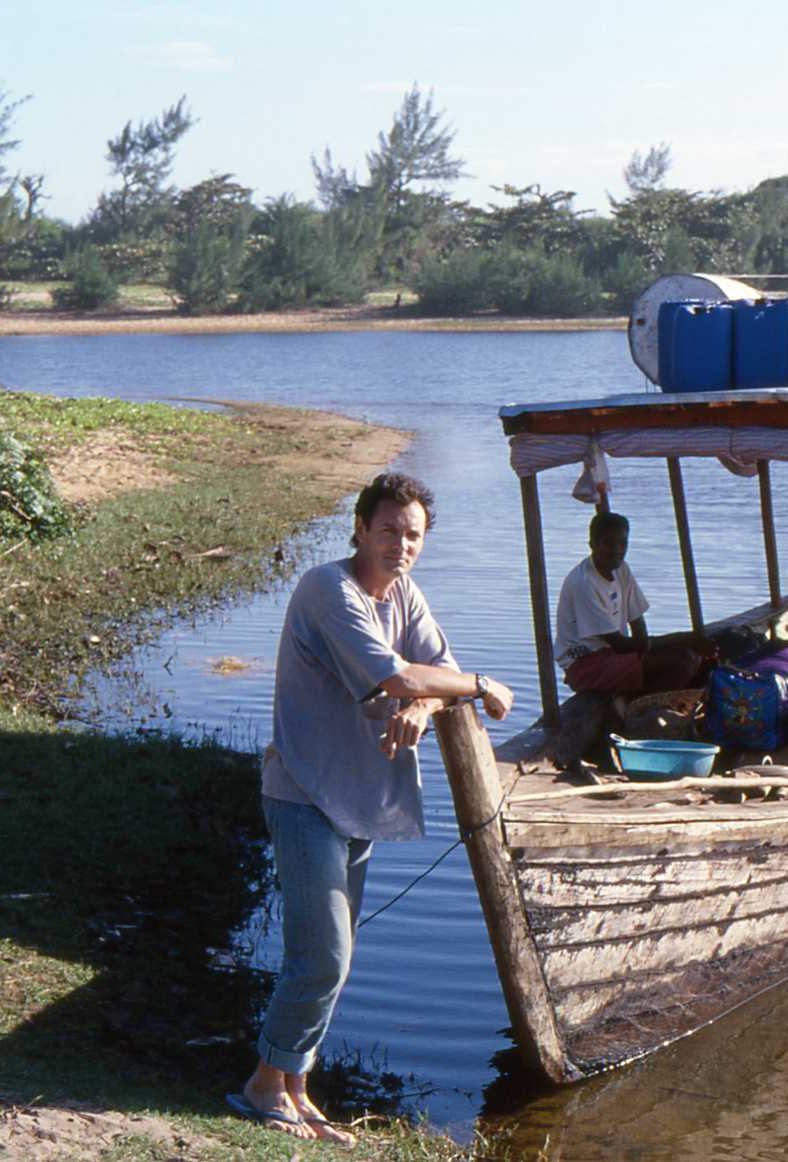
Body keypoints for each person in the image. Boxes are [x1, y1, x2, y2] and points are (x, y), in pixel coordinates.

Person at [233, 472, 514, 1145]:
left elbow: (428, 674)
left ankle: (295, 1087)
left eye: (412, 534)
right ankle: (262, 1084)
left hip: (355, 797)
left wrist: (424, 704)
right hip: (303, 792)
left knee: (335, 953)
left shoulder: (404, 595)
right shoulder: (328, 590)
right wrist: (477, 684)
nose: (400, 544)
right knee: (323, 954)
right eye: (388, 529)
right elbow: (399, 673)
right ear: (360, 528)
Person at [553, 511, 711, 696]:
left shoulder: (621, 569)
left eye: (622, 543)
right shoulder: (584, 582)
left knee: (701, 658)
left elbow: (637, 622)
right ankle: (638, 708)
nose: (617, 549)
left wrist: (648, 651)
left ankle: (640, 699)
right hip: (585, 663)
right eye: (608, 543)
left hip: (615, 655)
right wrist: (681, 639)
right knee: (683, 660)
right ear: (592, 545)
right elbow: (620, 644)